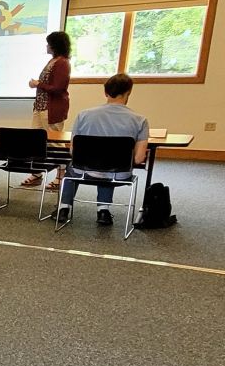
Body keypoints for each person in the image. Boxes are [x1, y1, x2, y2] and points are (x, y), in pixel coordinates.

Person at [56, 73, 149, 226]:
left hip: (85, 171)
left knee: (74, 167)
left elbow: (73, 152)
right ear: (128, 92)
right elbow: (139, 159)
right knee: (109, 166)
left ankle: (64, 208)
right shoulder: (140, 120)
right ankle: (103, 211)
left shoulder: (83, 115)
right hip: (118, 174)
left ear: (105, 92)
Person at [23, 31, 72, 190]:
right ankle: (37, 174)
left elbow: (58, 88)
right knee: (36, 142)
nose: (46, 46)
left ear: (55, 45)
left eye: (48, 43)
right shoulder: (53, 61)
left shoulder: (63, 63)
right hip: (40, 107)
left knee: (54, 143)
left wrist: (38, 84)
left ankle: (61, 175)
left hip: (52, 109)